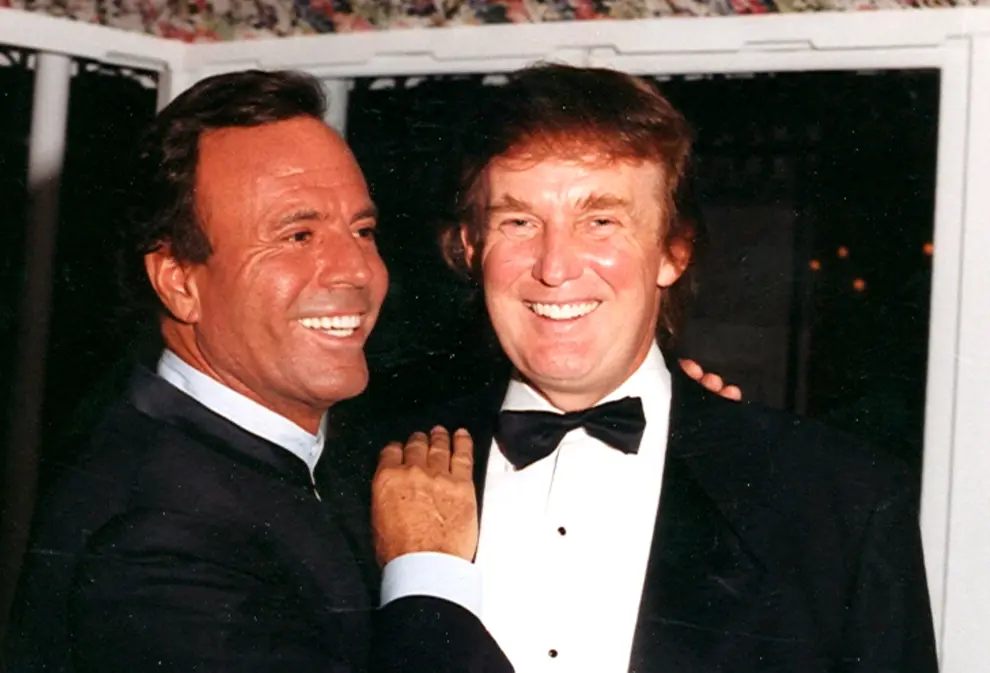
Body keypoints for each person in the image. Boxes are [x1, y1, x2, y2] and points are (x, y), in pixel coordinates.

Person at [374, 64, 938, 673]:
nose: (555, 268)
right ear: (471, 247)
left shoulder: (839, 498)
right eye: (519, 222)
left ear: (673, 251)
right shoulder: (368, 467)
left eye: (601, 221)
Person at [4, 70, 512, 673]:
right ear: (179, 281)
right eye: (298, 235)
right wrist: (426, 571)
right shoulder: (154, 540)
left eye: (363, 231)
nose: (356, 270)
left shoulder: (296, 453)